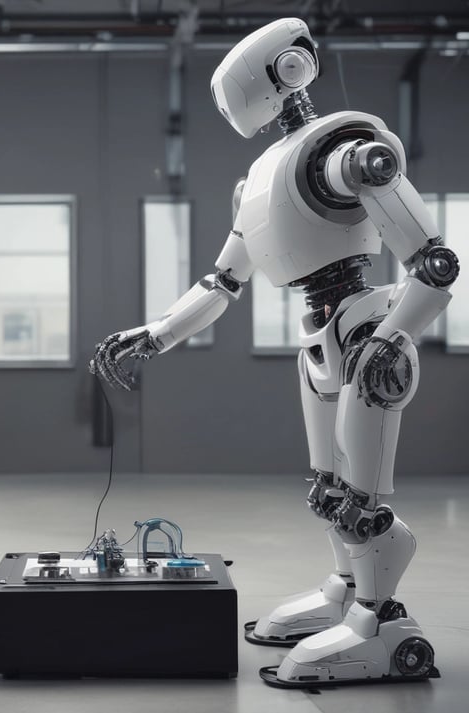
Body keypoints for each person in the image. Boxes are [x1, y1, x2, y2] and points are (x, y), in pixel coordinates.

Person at [90, 18, 457, 687]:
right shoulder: (262, 174)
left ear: (284, 69)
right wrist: (156, 332)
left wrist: (389, 338)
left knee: (359, 496)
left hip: (365, 328)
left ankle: (382, 619)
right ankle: (346, 591)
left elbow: (433, 263)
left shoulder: (344, 147)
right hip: (320, 333)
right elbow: (222, 279)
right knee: (326, 490)